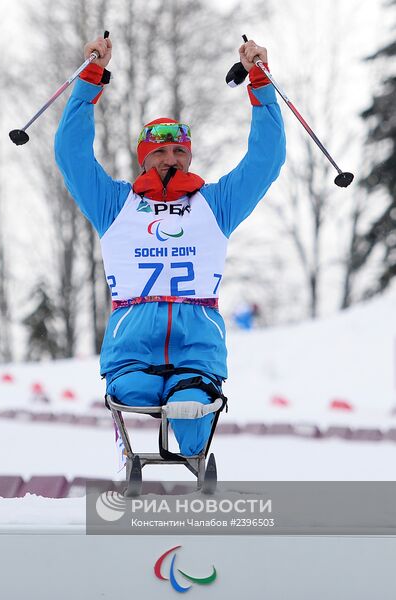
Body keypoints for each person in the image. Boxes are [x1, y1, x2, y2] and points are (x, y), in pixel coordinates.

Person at [55, 35, 286, 457]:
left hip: (196, 344)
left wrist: (261, 84)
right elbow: (72, 155)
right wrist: (90, 80)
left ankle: (198, 463)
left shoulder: (216, 204)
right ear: (143, 158)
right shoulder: (114, 204)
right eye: (159, 150)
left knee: (190, 413)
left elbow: (265, 161)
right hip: (132, 345)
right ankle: (134, 462)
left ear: (190, 157)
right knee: (135, 394)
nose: (170, 158)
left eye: (179, 150)